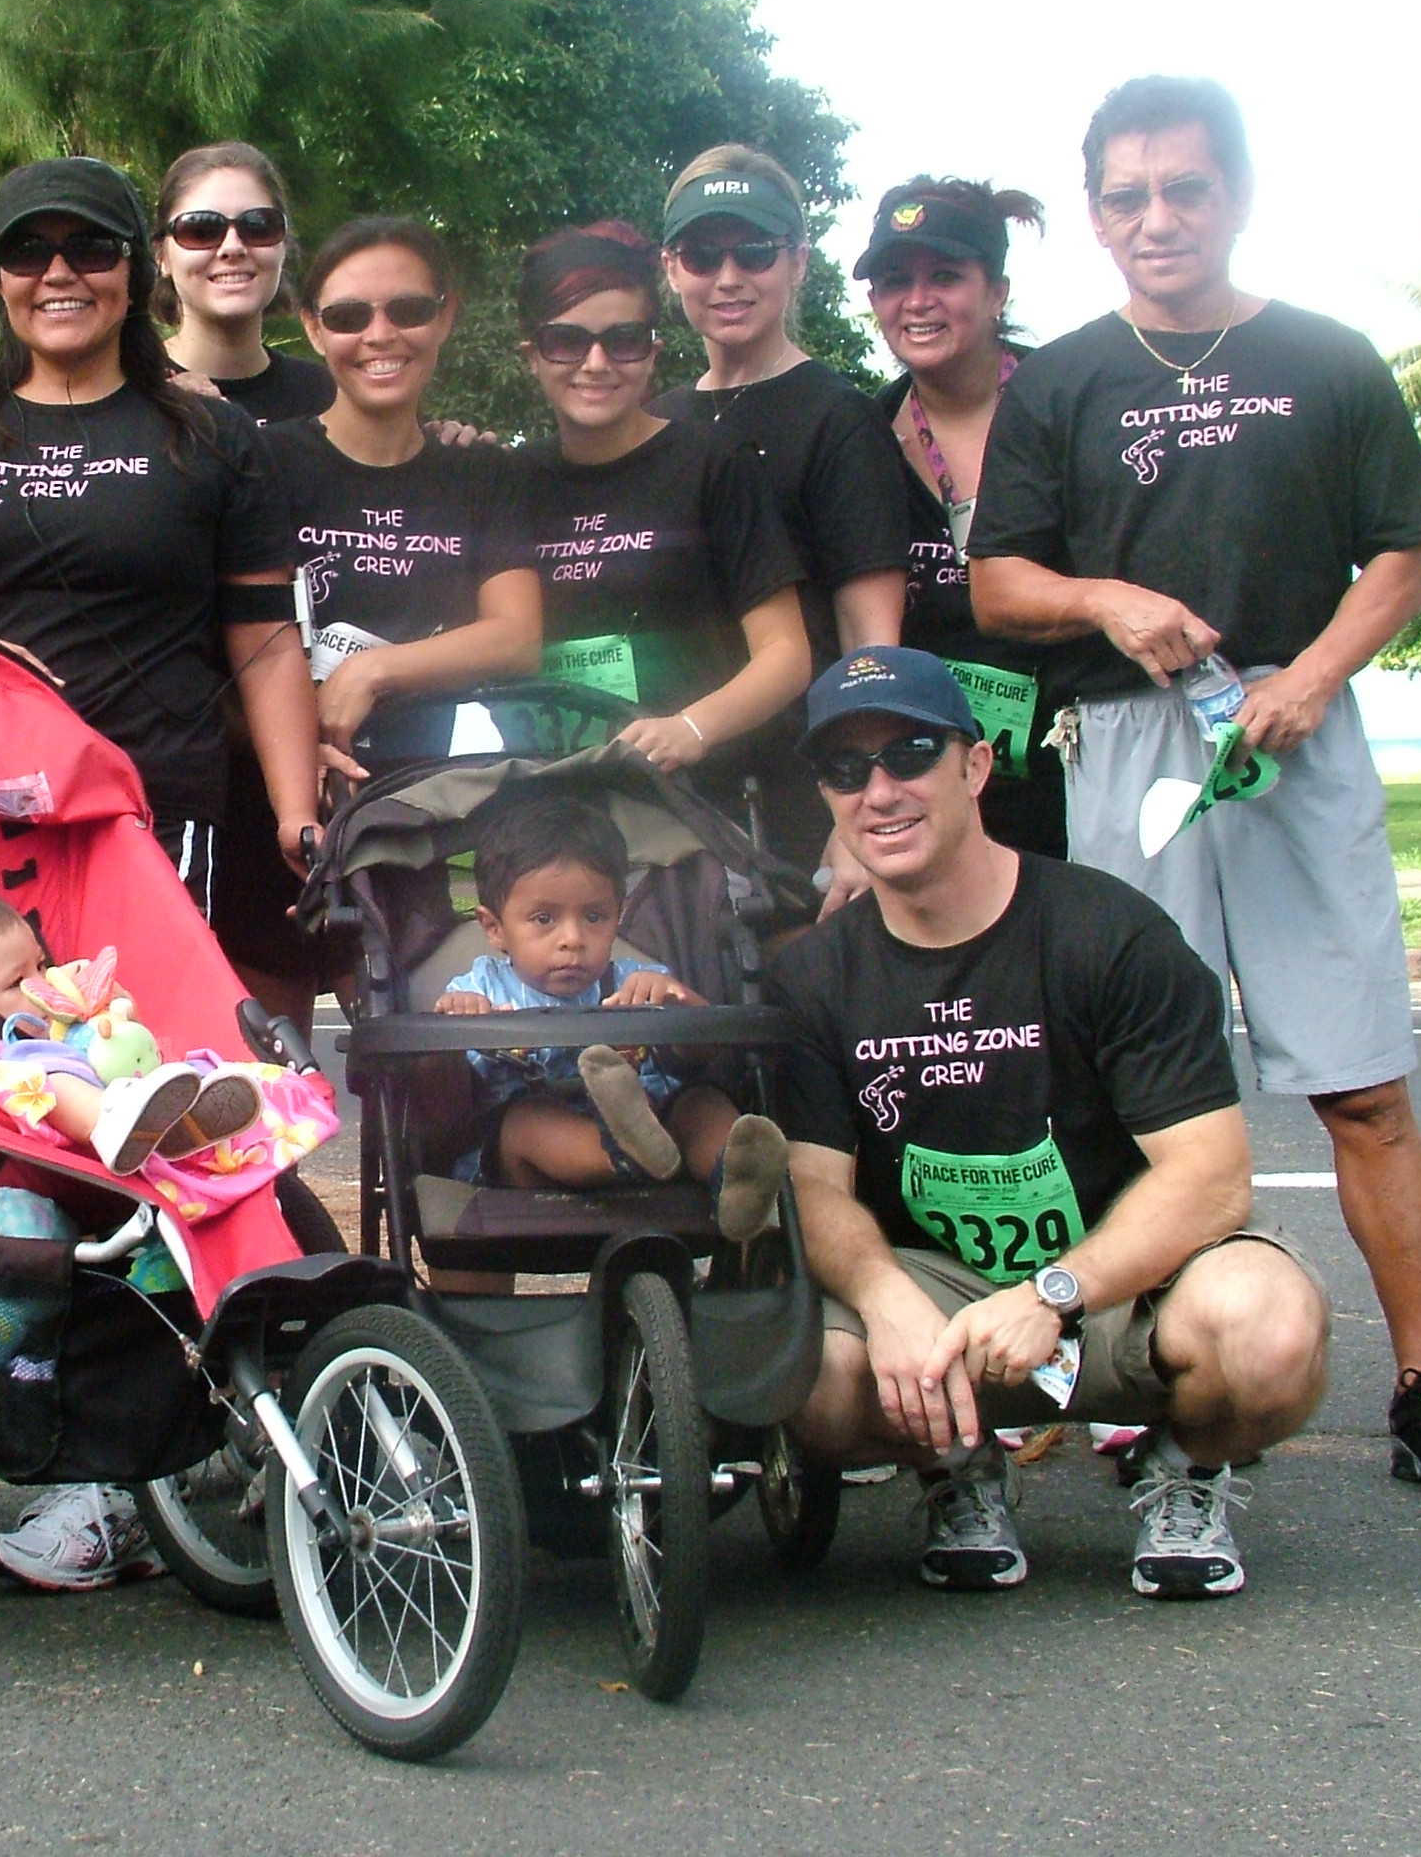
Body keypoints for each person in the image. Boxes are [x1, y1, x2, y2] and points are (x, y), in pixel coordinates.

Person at [966, 74, 1421, 1504]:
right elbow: (999, 582)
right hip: (1124, 742)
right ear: (1096, 217)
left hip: (1293, 734)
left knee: (1363, 1089)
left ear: (1238, 195)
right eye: (1128, 197)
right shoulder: (1060, 383)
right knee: (1114, 1094)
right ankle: (1128, 1378)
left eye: (1186, 189)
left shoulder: (1328, 359)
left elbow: (1398, 561)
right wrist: (1104, 600)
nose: (1158, 218)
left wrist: (1316, 675)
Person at [775, 646, 1332, 1598]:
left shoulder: (1112, 936)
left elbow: (1210, 1178)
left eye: (910, 753)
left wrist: (1054, 1293)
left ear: (975, 766)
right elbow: (811, 1187)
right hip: (937, 1294)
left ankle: (1185, 1466)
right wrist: (883, 1296)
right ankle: (956, 1468)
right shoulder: (813, 977)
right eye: (845, 768)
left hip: (1121, 1283)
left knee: (1268, 1331)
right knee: (804, 1377)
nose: (880, 791)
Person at [0, 156, 321, 922]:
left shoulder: (216, 433)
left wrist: (295, 812)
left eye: (92, 248)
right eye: (27, 252)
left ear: (136, 274)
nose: (59, 273)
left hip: (152, 804)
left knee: (141, 1006)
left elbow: (266, 642)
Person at [212, 216, 541, 1016]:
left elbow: (516, 637)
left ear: (446, 316)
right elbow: (218, 644)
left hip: (411, 818)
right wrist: (297, 741)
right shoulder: (262, 461)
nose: (380, 334)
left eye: (409, 309)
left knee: (424, 1073)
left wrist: (372, 671)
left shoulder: (480, 472)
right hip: (265, 817)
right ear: (312, 328)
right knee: (264, 1080)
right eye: (350, 315)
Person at [652, 146, 914, 877]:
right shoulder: (655, 420)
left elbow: (871, 639)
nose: (728, 277)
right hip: (666, 794)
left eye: (756, 252)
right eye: (702, 255)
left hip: (801, 790)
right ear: (672, 268)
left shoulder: (840, 419)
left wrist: (862, 803)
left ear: (798, 261)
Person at [513, 222, 812, 799]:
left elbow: (786, 654)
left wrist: (692, 729)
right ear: (532, 356)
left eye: (622, 340)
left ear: (652, 352)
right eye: (566, 341)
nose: (595, 363)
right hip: (552, 802)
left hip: (698, 801)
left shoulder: (713, 465)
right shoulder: (507, 481)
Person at [432, 791, 790, 1236]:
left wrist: (678, 1004)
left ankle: (735, 1175)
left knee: (700, 1102)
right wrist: (455, 1024)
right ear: (494, 928)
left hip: (658, 1135)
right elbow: (442, 1100)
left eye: (595, 917)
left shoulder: (634, 981)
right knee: (528, 1119)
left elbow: (705, 1046)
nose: (573, 938)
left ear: (618, 916)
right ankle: (619, 1152)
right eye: (544, 919)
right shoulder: (480, 989)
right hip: (529, 1165)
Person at [855, 178, 1069, 860]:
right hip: (933, 790)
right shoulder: (858, 441)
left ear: (997, 292)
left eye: (945, 277)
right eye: (896, 281)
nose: (918, 301)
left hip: (1080, 768)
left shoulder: (1067, 406)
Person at [0, 888, 264, 1172]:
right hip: (80, 1134)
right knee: (40, 1070)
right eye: (16, 982)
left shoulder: (60, 1028)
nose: (43, 983)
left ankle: (195, 1106)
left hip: (129, 1092)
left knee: (171, 1064)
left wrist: (121, 1019)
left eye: (40, 965)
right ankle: (111, 1122)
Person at [151, 141, 334, 424]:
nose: (233, 247)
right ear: (162, 256)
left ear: (284, 246)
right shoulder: (130, 390)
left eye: (258, 226)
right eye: (201, 230)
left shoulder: (326, 397)